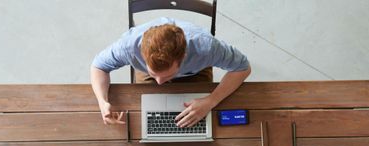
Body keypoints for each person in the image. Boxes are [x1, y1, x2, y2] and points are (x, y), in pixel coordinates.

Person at [91, 17, 251, 127]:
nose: (160, 83)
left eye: (167, 76)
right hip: (145, 73)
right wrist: (102, 102)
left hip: (195, 73)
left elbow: (243, 68)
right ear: (142, 55)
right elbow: (98, 66)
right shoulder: (127, 47)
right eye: (154, 75)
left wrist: (210, 101)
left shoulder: (206, 48)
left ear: (184, 56)